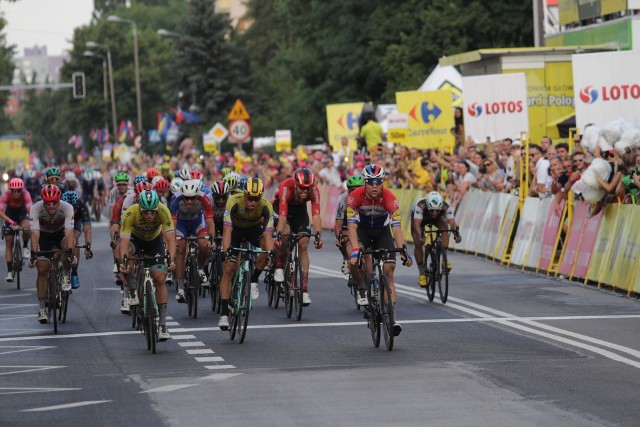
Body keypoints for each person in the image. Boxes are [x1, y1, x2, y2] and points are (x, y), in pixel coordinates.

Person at [347, 164, 413, 336]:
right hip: (362, 231)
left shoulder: (390, 198)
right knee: (365, 260)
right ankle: (370, 292)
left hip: (382, 232)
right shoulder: (355, 197)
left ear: (382, 182)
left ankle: (392, 319)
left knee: (389, 271)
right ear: (365, 183)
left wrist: (404, 250)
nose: (375, 186)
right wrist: (355, 249)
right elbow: (352, 228)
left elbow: (397, 229)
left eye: (378, 182)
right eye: (370, 182)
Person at [119, 190, 176, 341]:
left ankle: (162, 325)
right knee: (126, 262)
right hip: (135, 240)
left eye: (153, 212)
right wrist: (122, 262)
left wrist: (171, 260)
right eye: (146, 212)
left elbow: (170, 239)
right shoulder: (130, 214)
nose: (150, 215)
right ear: (139, 209)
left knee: (159, 278)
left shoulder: (164, 210)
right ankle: (132, 291)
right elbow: (123, 242)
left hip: (154, 242)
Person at [218, 178, 274, 330]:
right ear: (244, 195)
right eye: (250, 198)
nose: (253, 202)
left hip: (253, 230)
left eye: (256, 199)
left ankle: (254, 279)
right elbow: (227, 230)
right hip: (234, 231)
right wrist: (226, 251)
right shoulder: (233, 202)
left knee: (266, 248)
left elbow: (268, 235)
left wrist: (271, 254)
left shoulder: (266, 205)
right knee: (228, 269)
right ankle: (223, 314)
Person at [273, 168, 323, 306]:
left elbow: (316, 215)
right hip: (283, 210)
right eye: (301, 188)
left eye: (308, 188)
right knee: (285, 233)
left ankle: (305, 290)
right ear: (295, 184)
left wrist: (318, 234)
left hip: (299, 213)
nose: (305, 192)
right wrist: (278, 234)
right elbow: (283, 216)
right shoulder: (285, 187)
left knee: (304, 244)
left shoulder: (314, 191)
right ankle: (279, 265)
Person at [28, 185, 76, 324]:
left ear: (59, 199)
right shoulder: (35, 209)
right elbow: (35, 234)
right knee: (42, 269)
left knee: (68, 246)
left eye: (54, 202)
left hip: (60, 233)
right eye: (47, 202)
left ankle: (66, 274)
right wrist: (33, 255)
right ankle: (42, 308)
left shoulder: (67, 207)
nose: (51, 205)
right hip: (43, 235)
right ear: (42, 201)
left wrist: (70, 253)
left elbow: (68, 232)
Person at [170, 179, 215, 303]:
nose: (189, 201)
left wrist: (211, 238)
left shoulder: (204, 198)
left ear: (197, 195)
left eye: (192, 198)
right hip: (181, 224)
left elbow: (210, 221)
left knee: (204, 245)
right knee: (180, 249)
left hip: (197, 222)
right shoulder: (175, 198)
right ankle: (180, 288)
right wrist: (173, 239)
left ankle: (200, 268)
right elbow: (172, 223)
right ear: (182, 195)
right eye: (186, 198)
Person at [411, 191, 461, 288]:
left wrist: (456, 234)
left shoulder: (445, 206)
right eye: (432, 210)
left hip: (438, 219)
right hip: (420, 219)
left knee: (445, 228)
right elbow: (417, 224)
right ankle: (422, 274)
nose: (434, 213)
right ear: (427, 206)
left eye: (437, 210)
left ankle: (444, 261)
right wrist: (420, 236)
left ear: (441, 207)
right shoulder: (420, 205)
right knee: (417, 242)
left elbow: (452, 222)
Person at [0, 178, 33, 281]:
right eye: (13, 191)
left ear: (22, 190)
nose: (16, 193)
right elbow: (0, 211)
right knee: (9, 242)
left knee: (27, 228)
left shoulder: (26, 194)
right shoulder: (6, 194)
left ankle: (24, 246)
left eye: (19, 190)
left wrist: (31, 223)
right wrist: (11, 222)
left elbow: (30, 211)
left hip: (22, 214)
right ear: (10, 190)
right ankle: (9, 272)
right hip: (10, 215)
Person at [60, 191, 93, 289]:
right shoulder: (59, 207)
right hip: (62, 222)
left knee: (74, 240)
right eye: (69, 208)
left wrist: (88, 247)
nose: (72, 210)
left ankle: (74, 272)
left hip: (75, 223)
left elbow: (87, 230)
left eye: (74, 208)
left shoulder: (82, 206)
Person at [334, 176, 364, 276]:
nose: (355, 193)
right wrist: (339, 237)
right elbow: (339, 222)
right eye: (352, 190)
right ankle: (346, 258)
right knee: (343, 237)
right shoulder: (343, 199)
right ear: (348, 191)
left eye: (358, 190)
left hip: (362, 219)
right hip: (347, 220)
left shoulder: (367, 197)